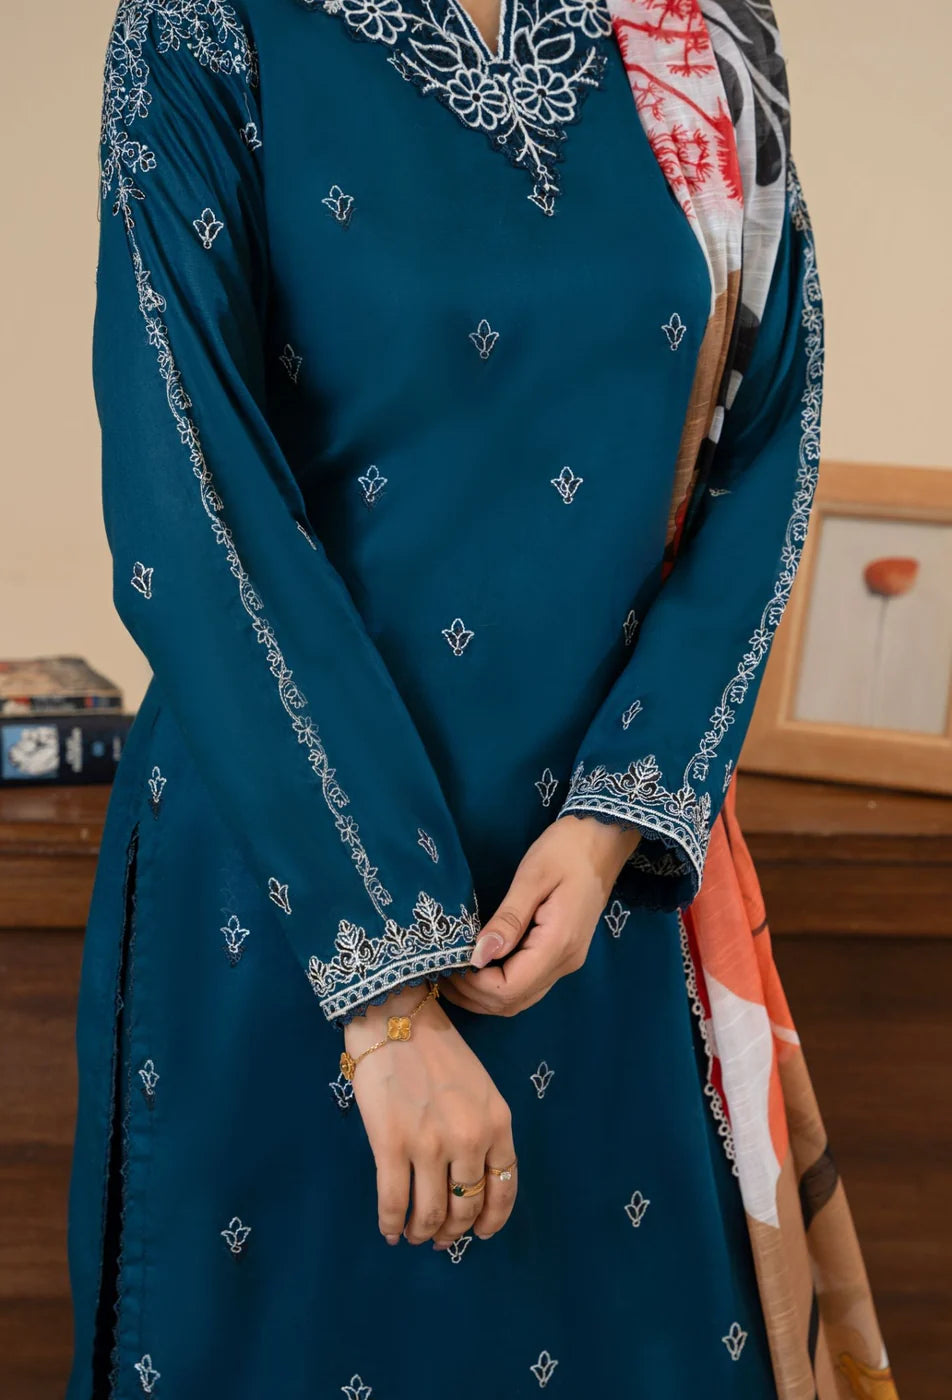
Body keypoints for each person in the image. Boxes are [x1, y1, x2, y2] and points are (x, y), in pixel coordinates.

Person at [65, 1, 896, 1397]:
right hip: (286, 907)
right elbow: (186, 499)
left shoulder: (697, 39)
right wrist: (386, 1002)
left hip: (604, 908)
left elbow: (770, 442)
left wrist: (614, 825)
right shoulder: (208, 33)